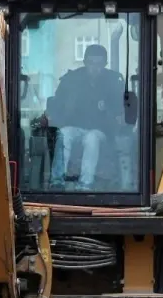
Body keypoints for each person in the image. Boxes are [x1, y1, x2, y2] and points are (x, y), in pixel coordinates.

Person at [45, 43, 126, 189]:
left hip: (101, 131)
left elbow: (121, 109)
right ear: (85, 62)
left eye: (99, 64)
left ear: (105, 64)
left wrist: (108, 108)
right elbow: (57, 103)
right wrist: (52, 116)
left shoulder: (113, 82)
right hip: (75, 127)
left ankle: (85, 184)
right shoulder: (71, 80)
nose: (94, 68)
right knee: (64, 134)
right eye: (91, 63)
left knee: (91, 138)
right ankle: (57, 181)